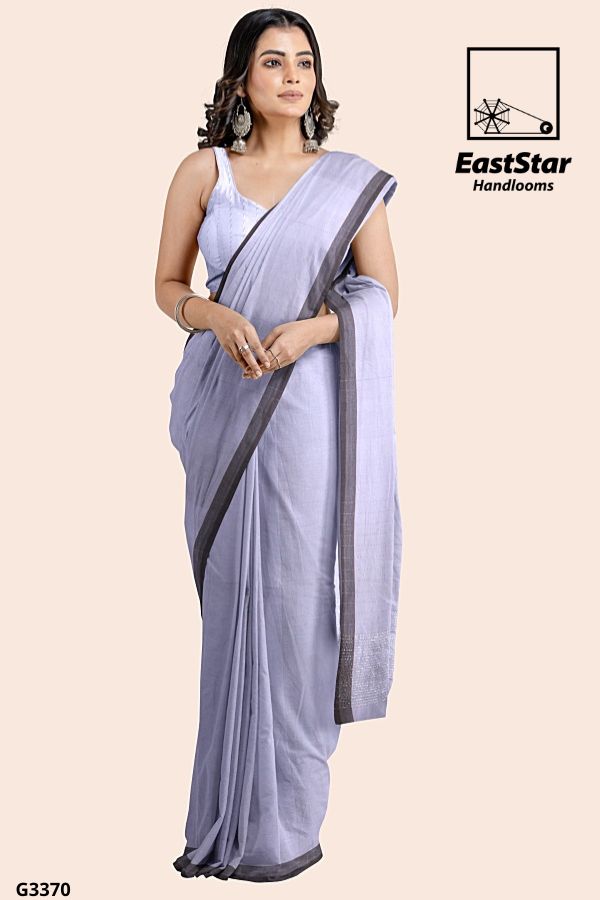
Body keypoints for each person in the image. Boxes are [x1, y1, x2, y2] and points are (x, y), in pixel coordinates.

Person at [155, 7, 403, 883]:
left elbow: (382, 297)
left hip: (305, 414)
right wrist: (213, 314)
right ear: (240, 79)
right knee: (234, 604)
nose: (293, 76)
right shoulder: (204, 172)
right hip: (222, 403)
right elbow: (166, 285)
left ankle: (285, 819)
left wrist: (311, 333)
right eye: (273, 61)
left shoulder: (347, 181)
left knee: (298, 601)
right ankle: (226, 816)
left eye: (304, 61)